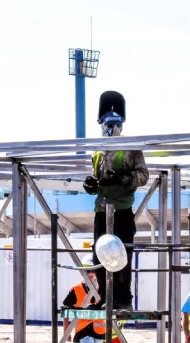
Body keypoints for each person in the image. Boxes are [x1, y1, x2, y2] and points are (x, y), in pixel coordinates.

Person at [83, 91, 149, 311]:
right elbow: (96, 181)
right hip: (101, 210)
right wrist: (91, 185)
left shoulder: (131, 147)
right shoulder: (97, 152)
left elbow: (143, 175)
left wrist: (123, 178)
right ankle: (104, 297)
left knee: (121, 255)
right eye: (107, 122)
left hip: (122, 210)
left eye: (114, 122)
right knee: (99, 254)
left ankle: (123, 299)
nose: (111, 126)